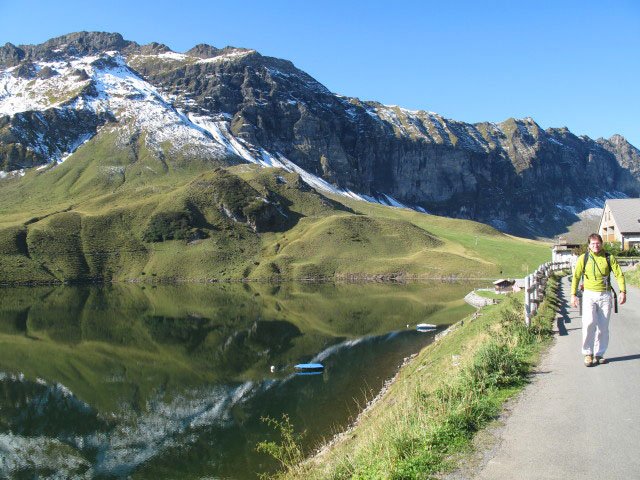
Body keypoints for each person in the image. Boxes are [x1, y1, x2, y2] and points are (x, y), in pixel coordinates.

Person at [571, 234, 626, 367]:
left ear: (602, 243)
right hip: (589, 294)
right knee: (589, 323)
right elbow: (576, 276)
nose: (596, 246)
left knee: (603, 326)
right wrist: (573, 294)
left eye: (598, 243)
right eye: (593, 243)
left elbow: (619, 274)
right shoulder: (583, 258)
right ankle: (588, 354)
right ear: (589, 245)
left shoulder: (609, 257)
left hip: (605, 295)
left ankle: (599, 353)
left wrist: (622, 291)